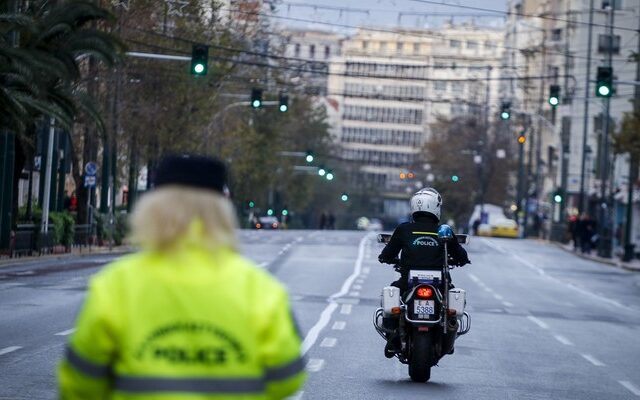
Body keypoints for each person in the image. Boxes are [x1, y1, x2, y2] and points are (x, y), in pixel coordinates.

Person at [58, 155, 306, 399]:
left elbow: (80, 383)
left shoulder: (116, 284)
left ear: (152, 209)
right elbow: (287, 378)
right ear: (223, 211)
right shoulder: (261, 289)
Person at [378, 188, 470, 356]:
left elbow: (387, 253)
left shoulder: (404, 229)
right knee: (452, 305)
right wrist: (461, 259)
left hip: (408, 282)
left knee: (392, 296)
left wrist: (386, 258)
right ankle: (449, 332)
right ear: (436, 207)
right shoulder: (444, 231)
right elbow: (461, 255)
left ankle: (392, 339)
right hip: (440, 284)